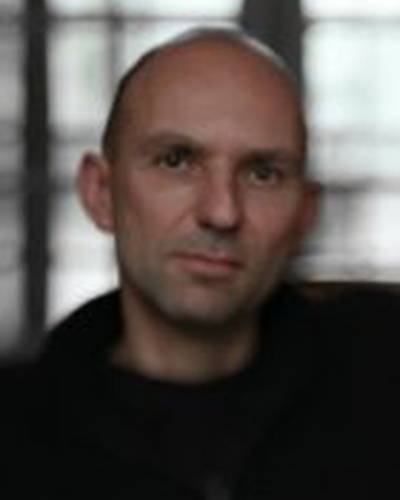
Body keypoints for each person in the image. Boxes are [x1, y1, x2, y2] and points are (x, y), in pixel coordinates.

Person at [1, 27, 400, 499]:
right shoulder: (17, 439)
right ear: (101, 194)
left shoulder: (383, 373)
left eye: (263, 173)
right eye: (176, 160)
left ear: (304, 214)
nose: (222, 212)